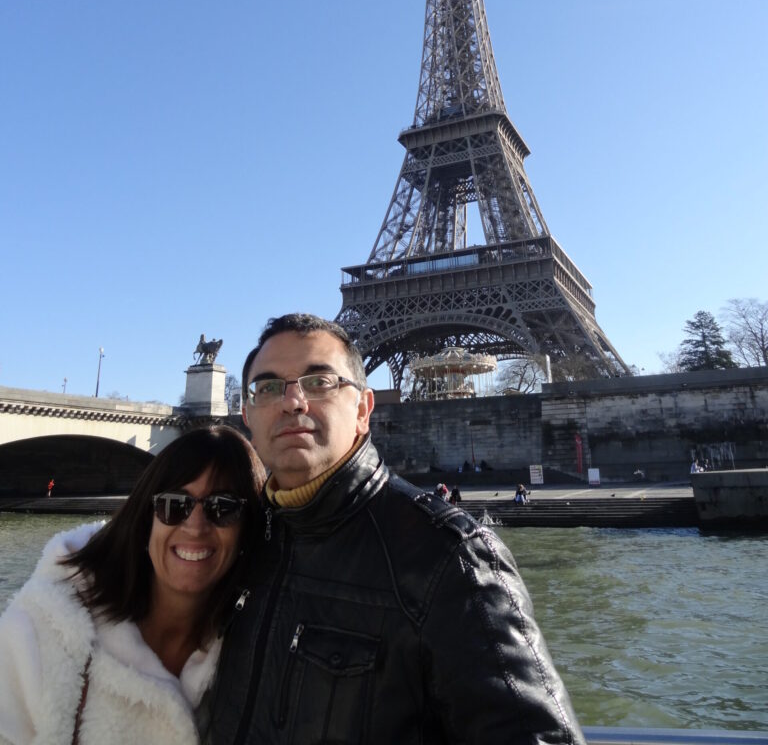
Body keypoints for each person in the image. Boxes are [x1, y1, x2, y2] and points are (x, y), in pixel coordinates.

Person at [206, 313, 585, 745]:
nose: (293, 402)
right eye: (269, 387)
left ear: (364, 409)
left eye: (319, 382)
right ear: (247, 415)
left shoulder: (451, 558)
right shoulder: (238, 540)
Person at [0, 425, 264, 745]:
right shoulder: (37, 630)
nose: (195, 527)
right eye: (173, 505)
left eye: (223, 507)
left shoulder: (256, 654)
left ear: (248, 529)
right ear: (145, 522)